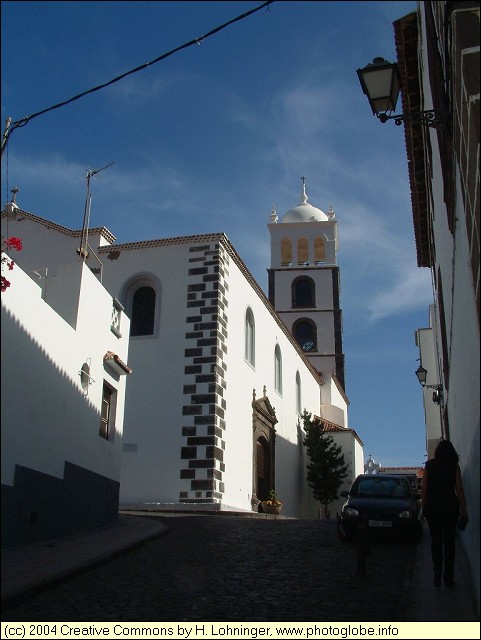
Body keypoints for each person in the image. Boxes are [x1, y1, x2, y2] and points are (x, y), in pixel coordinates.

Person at [421, 440, 469, 588]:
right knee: (449, 543)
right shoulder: (454, 467)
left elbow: (424, 488)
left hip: (433, 507)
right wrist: (464, 510)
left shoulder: (429, 466)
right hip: (450, 507)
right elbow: (459, 490)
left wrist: (424, 507)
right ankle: (448, 577)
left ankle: (437, 571)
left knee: (435, 541)